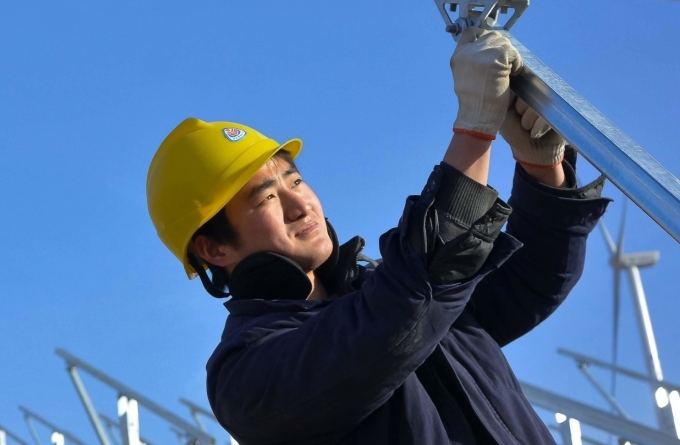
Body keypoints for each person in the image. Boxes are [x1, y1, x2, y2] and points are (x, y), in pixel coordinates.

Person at [144, 28, 611, 444]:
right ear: (213, 247)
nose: (300, 203)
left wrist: (540, 167)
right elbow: (394, 323)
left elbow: (528, 282)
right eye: (266, 198)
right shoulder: (247, 376)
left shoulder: (389, 294)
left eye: (295, 181)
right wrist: (474, 129)